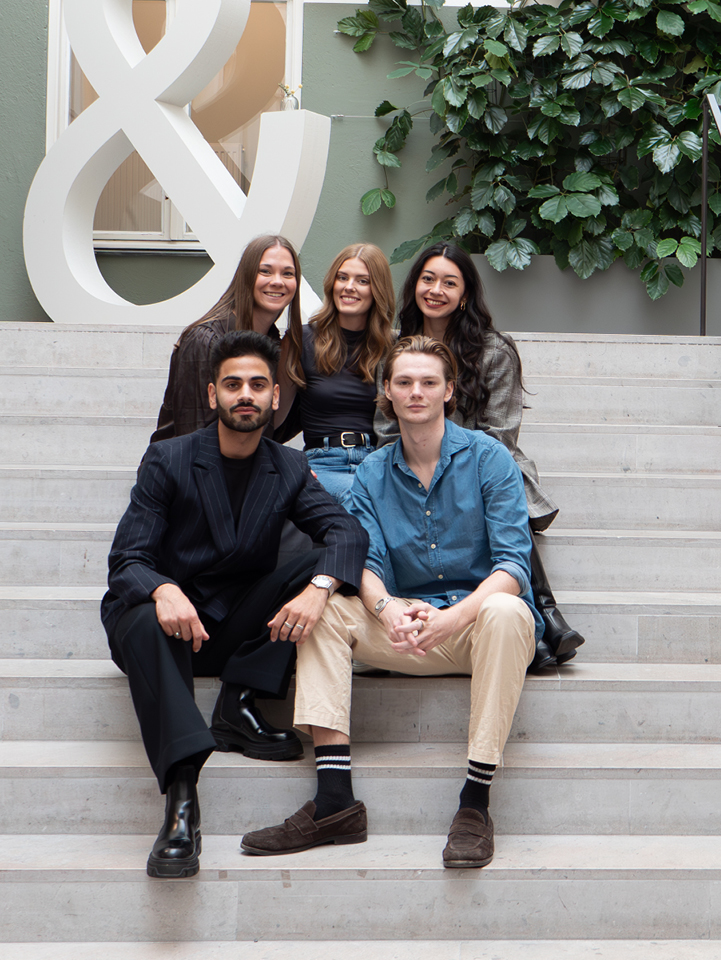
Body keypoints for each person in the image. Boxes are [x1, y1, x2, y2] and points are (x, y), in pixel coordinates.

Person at [241, 335, 540, 868]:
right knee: (326, 604)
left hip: (472, 630)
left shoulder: (489, 459)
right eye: (404, 382)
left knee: (507, 609)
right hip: (404, 629)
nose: (416, 392)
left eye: (429, 382)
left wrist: (452, 617)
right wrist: (388, 609)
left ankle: (475, 802)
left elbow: (514, 565)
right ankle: (334, 799)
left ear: (450, 390)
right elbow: (364, 561)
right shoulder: (371, 475)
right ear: (387, 392)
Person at [102, 331, 368, 879]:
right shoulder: (169, 459)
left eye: (257, 385)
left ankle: (238, 699)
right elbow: (126, 558)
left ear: (275, 398)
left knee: (320, 566)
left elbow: (346, 532)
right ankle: (181, 804)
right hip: (162, 623)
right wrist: (162, 588)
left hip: (231, 625)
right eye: (232, 385)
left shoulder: (289, 468)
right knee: (146, 617)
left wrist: (319, 590)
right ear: (212, 395)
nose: (244, 394)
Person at [375, 242, 583, 669]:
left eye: (449, 282)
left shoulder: (493, 350)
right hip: (416, 464)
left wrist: (454, 460)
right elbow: (384, 430)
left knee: (492, 493)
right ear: (414, 285)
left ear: (466, 294)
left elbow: (500, 435)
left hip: (489, 462)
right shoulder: (395, 350)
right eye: (428, 279)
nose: (436, 289)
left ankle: (540, 612)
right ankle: (546, 622)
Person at [151, 235, 304, 443]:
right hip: (184, 470)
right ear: (247, 276)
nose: (277, 281)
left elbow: (271, 433)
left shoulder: (276, 345)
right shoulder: (205, 339)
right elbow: (194, 436)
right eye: (265, 271)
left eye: (287, 273)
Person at [275, 243, 395, 504]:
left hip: (379, 461)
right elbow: (274, 419)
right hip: (323, 463)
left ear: (378, 290)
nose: (349, 286)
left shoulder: (393, 348)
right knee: (360, 501)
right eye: (343, 277)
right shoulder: (301, 340)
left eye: (362, 280)